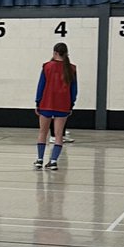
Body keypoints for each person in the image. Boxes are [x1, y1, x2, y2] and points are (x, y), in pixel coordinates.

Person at [35, 42, 77, 170]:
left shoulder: (47, 66)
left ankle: (39, 159)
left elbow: (40, 86)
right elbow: (74, 89)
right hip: (63, 104)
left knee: (43, 132)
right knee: (59, 135)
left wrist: (38, 102)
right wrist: (71, 104)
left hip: (46, 103)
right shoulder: (72, 68)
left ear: (54, 52)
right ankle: (53, 161)